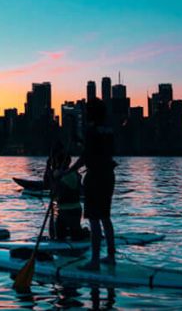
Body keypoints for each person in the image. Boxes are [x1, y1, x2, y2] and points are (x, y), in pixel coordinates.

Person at [70, 98, 117, 271]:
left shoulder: (91, 131)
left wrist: (68, 171)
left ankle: (95, 261)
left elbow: (85, 157)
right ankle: (111, 256)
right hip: (108, 176)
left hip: (96, 178)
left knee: (94, 219)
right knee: (105, 217)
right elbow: (102, 151)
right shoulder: (109, 130)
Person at [50, 150, 85, 241]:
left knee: (74, 236)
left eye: (57, 162)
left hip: (71, 211)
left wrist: (56, 180)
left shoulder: (69, 175)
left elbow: (61, 192)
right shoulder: (70, 174)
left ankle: (85, 234)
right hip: (63, 210)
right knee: (60, 236)